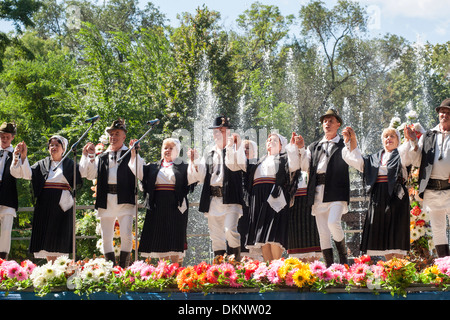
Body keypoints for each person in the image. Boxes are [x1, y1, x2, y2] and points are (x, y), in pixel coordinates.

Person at [226, 132, 302, 262]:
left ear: (281, 146)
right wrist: (235, 144)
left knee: (274, 237)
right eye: (268, 139)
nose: (270, 141)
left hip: (275, 198)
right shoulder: (258, 162)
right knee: (263, 239)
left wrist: (293, 146)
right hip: (259, 199)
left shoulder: (284, 159)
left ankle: (276, 267)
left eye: (274, 140)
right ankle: (268, 272)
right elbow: (238, 164)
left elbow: (295, 164)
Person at [342, 126, 411, 260]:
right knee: (384, 235)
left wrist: (409, 139)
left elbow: (409, 154)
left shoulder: (401, 154)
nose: (388, 139)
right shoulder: (374, 158)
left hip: (396, 196)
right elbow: (357, 160)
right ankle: (391, 269)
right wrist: (352, 140)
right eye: (386, 136)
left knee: (396, 232)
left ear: (398, 141)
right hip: (378, 197)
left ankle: (400, 269)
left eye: (392, 136)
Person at [11, 135, 82, 262]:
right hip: (45, 203)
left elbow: (81, 177)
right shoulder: (42, 164)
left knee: (60, 236)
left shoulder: (70, 164)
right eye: (51, 145)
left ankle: (60, 268)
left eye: (57, 145)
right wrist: (23, 157)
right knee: (47, 238)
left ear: (63, 149)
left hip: (62, 205)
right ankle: (51, 268)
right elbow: (28, 174)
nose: (54, 147)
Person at [80, 119, 141, 268]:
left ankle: (124, 268)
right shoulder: (102, 156)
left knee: (126, 235)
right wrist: (91, 157)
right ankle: (111, 269)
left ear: (124, 136)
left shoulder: (130, 153)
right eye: (111, 134)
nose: (113, 137)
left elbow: (140, 171)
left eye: (117, 134)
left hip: (125, 199)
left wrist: (135, 153)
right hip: (106, 199)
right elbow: (90, 175)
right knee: (106, 236)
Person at [128, 138, 198, 264]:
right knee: (160, 237)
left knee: (175, 237)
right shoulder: (153, 167)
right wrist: (134, 153)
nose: (168, 150)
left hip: (175, 205)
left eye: (171, 148)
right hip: (157, 205)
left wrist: (193, 161)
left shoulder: (183, 167)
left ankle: (176, 271)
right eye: (165, 148)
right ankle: (163, 271)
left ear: (177, 151)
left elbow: (193, 176)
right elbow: (138, 170)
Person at [297, 108, 350, 267]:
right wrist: (300, 148)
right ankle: (329, 269)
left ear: (338, 124)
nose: (327, 123)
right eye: (325, 121)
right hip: (317, 191)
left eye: (331, 120)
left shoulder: (344, 143)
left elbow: (354, 157)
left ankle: (343, 260)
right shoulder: (313, 146)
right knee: (323, 234)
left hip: (337, 190)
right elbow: (304, 166)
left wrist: (350, 141)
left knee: (333, 223)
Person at [189, 116, 245, 261]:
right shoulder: (209, 153)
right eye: (216, 131)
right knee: (216, 237)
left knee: (230, 231)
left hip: (231, 198)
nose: (217, 134)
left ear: (228, 132)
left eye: (222, 130)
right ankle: (220, 271)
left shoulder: (236, 148)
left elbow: (238, 166)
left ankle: (235, 267)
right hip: (213, 199)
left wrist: (231, 148)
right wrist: (194, 161)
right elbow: (202, 178)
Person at [406, 98, 450, 257]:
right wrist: (413, 141)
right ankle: (445, 266)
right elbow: (417, 160)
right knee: (438, 228)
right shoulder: (429, 135)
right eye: (442, 112)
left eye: (447, 112)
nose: (444, 115)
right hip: (432, 188)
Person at [287, 170, 322, 262]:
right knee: (297, 251)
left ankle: (314, 273)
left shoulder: (313, 165)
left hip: (312, 207)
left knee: (314, 250)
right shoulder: (289, 168)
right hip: (294, 211)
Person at [0, 122, 21, 260]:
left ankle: (2, 262)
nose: (4, 139)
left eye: (7, 136)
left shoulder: (17, 154)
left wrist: (18, 156)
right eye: (1, 136)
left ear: (12, 137)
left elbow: (20, 173)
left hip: (8, 197)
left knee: (6, 232)